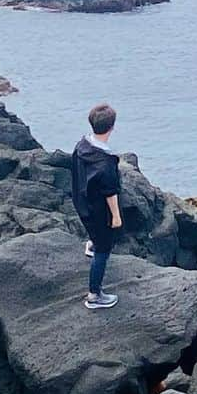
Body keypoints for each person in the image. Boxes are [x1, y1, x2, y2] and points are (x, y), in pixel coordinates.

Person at [71, 103, 123, 309]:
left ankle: (92, 243)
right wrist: (116, 217)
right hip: (98, 210)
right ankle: (94, 295)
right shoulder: (105, 162)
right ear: (112, 127)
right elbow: (110, 192)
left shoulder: (82, 145)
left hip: (81, 201)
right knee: (104, 249)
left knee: (95, 236)